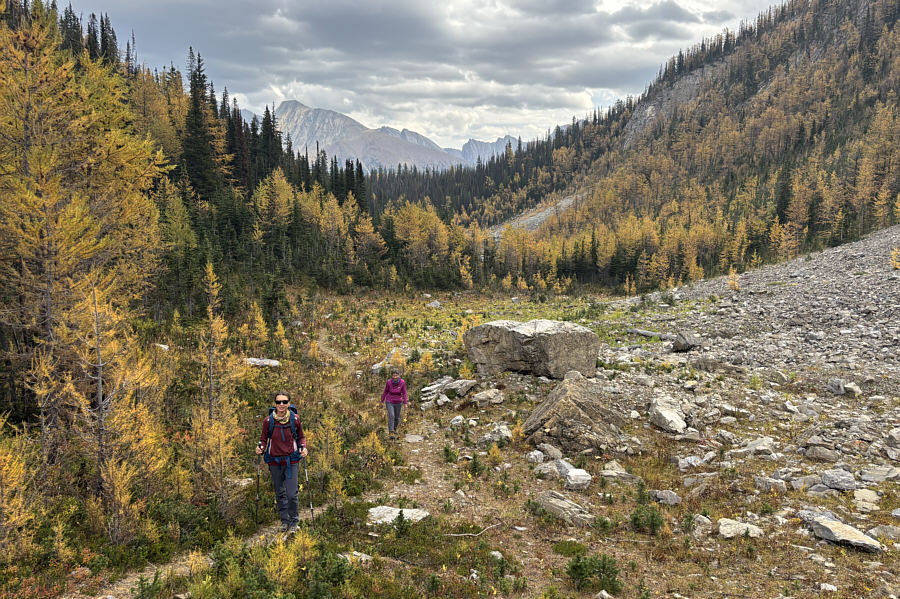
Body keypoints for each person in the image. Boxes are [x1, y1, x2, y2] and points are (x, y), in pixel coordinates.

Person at [256, 391, 308, 533]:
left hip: (291, 460)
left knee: (291, 494)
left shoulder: (295, 419)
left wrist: (304, 448)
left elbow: (301, 437)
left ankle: (294, 522)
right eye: (278, 402)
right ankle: (284, 521)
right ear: (275, 404)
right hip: (274, 461)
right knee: (280, 493)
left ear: (289, 404)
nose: (281, 405)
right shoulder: (268, 421)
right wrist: (260, 447)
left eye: (284, 402)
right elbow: (263, 438)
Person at [380, 368, 407, 440]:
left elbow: (404, 393)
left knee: (397, 417)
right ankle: (391, 431)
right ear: (392, 376)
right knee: (391, 415)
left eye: (396, 375)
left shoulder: (402, 382)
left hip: (398, 401)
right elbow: (385, 392)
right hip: (390, 401)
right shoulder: (389, 382)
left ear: (399, 375)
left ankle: (395, 429)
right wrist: (382, 401)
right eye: (393, 375)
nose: (395, 377)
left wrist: (405, 403)